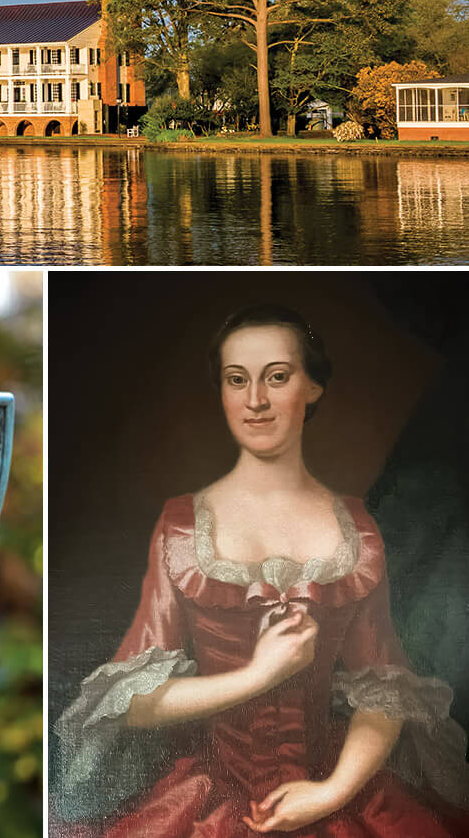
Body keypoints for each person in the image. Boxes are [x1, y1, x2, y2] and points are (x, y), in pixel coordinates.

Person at [55, 305, 469, 836]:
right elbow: (134, 701)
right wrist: (259, 675)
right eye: (237, 379)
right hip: (211, 801)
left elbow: (385, 690)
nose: (255, 400)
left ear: (313, 387)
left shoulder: (357, 530)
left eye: (277, 377)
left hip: (332, 795)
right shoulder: (182, 528)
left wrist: (330, 792)